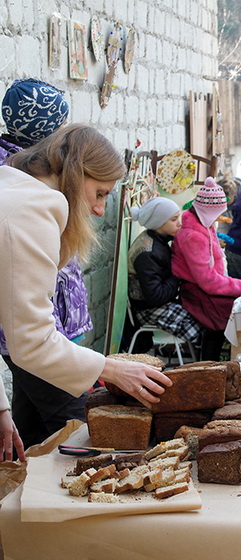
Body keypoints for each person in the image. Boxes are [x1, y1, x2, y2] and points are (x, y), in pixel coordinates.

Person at [0, 124, 173, 460]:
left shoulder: (14, 190)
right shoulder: (30, 209)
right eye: (100, 193)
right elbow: (32, 343)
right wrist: (112, 369)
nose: (98, 210)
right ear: (76, 174)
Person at [0, 78, 95, 450]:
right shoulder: (30, 179)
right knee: (78, 423)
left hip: (44, 326)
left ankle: (26, 497)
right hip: (38, 326)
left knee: (33, 422)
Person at [172, 177, 241, 361]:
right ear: (209, 210)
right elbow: (207, 281)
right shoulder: (193, 235)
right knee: (224, 317)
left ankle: (214, 363)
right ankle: (209, 366)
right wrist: (240, 286)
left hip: (204, 288)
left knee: (235, 309)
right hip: (195, 292)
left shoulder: (203, 224)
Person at [128, 196, 201, 347]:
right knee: (203, 319)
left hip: (159, 303)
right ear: (158, 222)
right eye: (174, 219)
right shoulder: (147, 252)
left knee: (203, 309)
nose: (180, 223)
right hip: (148, 310)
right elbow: (155, 296)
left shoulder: (159, 240)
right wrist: (179, 273)